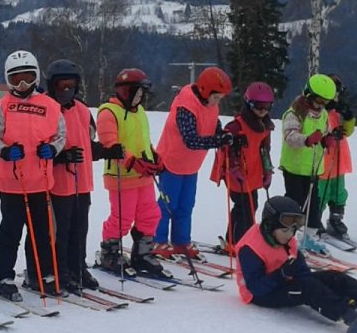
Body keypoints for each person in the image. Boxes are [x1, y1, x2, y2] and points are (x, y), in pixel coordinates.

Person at [233, 196, 357, 325]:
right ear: (269, 226)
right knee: (307, 288)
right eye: (285, 231)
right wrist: (283, 274)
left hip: (284, 280)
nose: (290, 235)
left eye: (293, 231)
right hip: (262, 295)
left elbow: (304, 274)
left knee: (332, 277)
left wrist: (317, 282)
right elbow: (255, 287)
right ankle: (349, 313)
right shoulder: (251, 248)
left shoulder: (285, 239)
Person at [0, 50, 65, 300]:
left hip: (40, 181)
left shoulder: (50, 105)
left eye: (28, 78)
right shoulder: (4, 106)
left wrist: (52, 149)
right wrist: (5, 150)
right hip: (12, 182)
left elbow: (60, 135)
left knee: (42, 232)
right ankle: (1, 276)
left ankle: (39, 274)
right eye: (16, 78)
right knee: (11, 230)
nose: (22, 84)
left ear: (36, 77)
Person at [95, 68, 169, 278]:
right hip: (121, 176)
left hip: (143, 175)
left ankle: (143, 253)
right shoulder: (108, 112)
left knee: (151, 214)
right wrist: (132, 162)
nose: (140, 97)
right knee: (122, 217)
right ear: (125, 91)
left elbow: (142, 140)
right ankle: (109, 252)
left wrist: (154, 155)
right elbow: (110, 143)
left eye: (142, 93)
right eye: (137, 92)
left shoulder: (139, 111)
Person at [154, 66, 233, 258]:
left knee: (186, 204)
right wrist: (216, 141)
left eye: (220, 98)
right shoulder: (186, 106)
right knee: (168, 204)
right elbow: (190, 140)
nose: (217, 102)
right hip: (172, 162)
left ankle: (181, 241)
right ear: (206, 90)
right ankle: (158, 240)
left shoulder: (211, 105)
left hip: (190, 165)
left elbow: (213, 125)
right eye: (216, 97)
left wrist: (223, 135)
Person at [43, 59, 103, 293]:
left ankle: (78, 266)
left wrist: (107, 151)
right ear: (52, 85)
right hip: (57, 183)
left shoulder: (82, 109)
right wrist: (61, 157)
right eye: (61, 85)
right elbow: (39, 146)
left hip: (82, 181)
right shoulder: (46, 107)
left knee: (80, 227)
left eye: (71, 85)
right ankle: (60, 269)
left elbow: (88, 143)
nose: (66, 90)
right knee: (61, 230)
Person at [211, 81, 274, 246]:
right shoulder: (236, 127)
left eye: (267, 107)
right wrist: (233, 169)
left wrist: (268, 170)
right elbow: (226, 150)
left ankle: (245, 239)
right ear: (249, 104)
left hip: (253, 172)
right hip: (236, 174)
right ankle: (235, 241)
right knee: (243, 207)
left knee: (253, 205)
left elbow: (264, 150)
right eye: (259, 106)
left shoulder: (265, 126)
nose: (263, 111)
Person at [279, 74, 336, 252]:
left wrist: (327, 139)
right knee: (295, 203)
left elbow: (326, 131)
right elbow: (290, 136)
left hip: (313, 168)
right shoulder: (294, 114)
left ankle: (310, 237)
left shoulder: (323, 114)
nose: (321, 106)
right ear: (308, 95)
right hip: (295, 168)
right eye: (319, 101)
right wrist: (307, 139)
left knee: (313, 204)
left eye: (325, 102)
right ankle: (288, 237)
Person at [318, 74, 356, 239]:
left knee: (338, 192)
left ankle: (335, 219)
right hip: (322, 159)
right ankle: (314, 220)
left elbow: (348, 131)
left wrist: (348, 116)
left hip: (339, 158)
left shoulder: (337, 110)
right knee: (320, 193)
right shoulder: (317, 111)